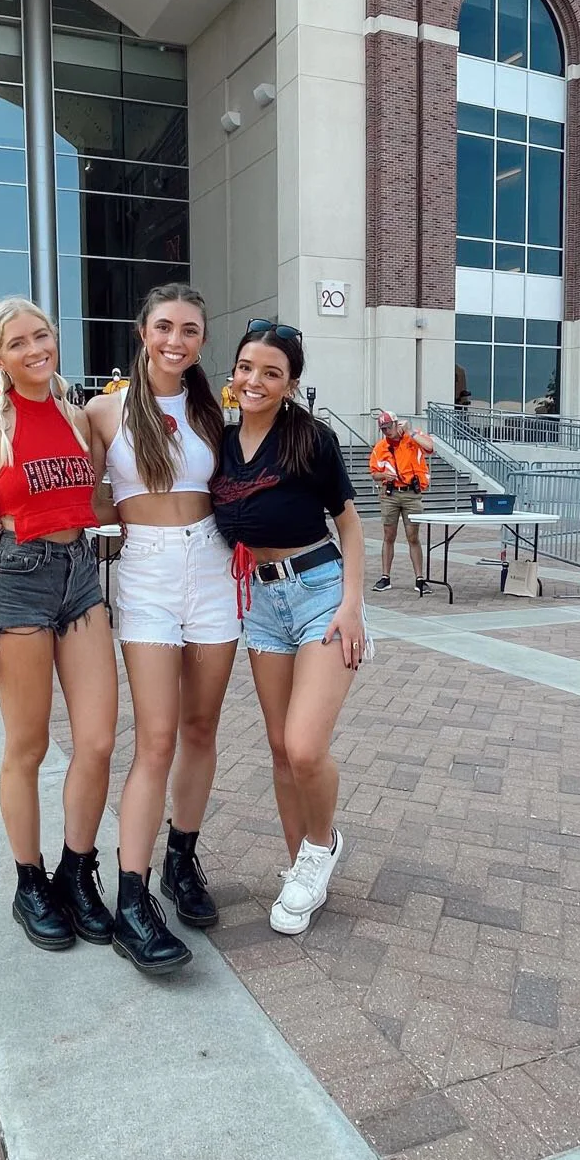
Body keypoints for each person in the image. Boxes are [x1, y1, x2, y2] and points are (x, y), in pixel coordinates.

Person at [0, 298, 118, 953]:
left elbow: (100, 498)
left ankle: (76, 872)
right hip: (18, 580)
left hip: (80, 576)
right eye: (18, 342)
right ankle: (30, 882)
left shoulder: (79, 418)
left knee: (98, 741)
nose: (34, 349)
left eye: (42, 335)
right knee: (28, 746)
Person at [87, 283, 235, 975]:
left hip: (212, 568)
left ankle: (181, 858)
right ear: (143, 331)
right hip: (145, 572)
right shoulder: (104, 411)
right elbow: (77, 490)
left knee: (200, 729)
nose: (176, 340)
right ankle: (132, 898)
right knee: (154, 739)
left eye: (190, 330)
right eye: (165, 327)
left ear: (202, 341)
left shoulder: (214, 412)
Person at [210, 321, 367, 937]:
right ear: (234, 373)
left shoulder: (311, 439)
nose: (256, 380)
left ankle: (321, 845)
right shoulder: (220, 442)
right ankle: (300, 864)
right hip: (260, 601)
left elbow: (349, 522)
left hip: (320, 594)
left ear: (290, 384)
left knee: (304, 746)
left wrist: (351, 605)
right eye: (247, 367)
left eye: (272, 373)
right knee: (279, 747)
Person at [369, 413, 434, 593]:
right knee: (388, 535)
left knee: (413, 536)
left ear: (397, 424)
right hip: (390, 494)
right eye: (383, 429)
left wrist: (410, 432)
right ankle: (385, 577)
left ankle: (419, 578)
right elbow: (374, 473)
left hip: (411, 493)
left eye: (389, 427)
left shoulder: (412, 438)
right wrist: (384, 475)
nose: (387, 431)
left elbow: (429, 447)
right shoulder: (381, 447)